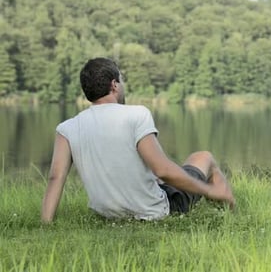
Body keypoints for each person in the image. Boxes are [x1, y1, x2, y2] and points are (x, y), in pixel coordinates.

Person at [41, 57, 235, 223]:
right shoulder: (136, 114)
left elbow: (55, 177)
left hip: (108, 215)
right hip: (154, 212)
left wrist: (46, 225)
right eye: (122, 81)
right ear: (114, 84)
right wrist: (208, 190)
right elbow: (163, 169)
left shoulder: (67, 128)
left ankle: (221, 208)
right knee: (204, 157)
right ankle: (230, 210)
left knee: (162, 177)